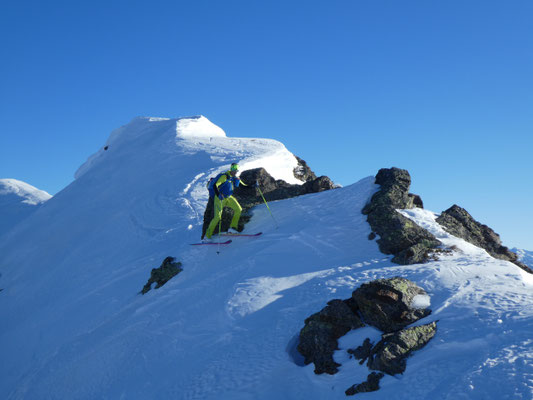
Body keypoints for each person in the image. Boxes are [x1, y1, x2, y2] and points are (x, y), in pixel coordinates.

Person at [204, 163, 251, 240]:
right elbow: (215, 185)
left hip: (228, 198)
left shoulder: (234, 178)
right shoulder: (224, 176)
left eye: (236, 170)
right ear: (231, 169)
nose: (235, 172)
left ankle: (232, 228)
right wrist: (218, 194)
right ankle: (207, 236)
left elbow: (244, 186)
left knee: (238, 209)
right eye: (234, 170)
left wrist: (253, 185)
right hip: (219, 198)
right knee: (217, 217)